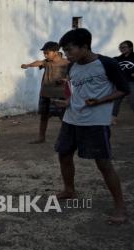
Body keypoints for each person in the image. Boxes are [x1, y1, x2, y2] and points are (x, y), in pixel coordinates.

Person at [55, 28, 130, 224]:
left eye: (70, 50)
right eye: (66, 51)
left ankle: (120, 206)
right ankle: (69, 190)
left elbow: (123, 90)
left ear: (85, 46)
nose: (68, 55)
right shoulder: (73, 67)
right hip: (71, 119)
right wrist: (67, 102)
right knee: (63, 154)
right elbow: (73, 90)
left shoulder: (107, 63)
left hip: (95, 122)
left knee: (103, 163)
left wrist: (100, 100)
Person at [21, 41, 70, 144]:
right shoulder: (46, 62)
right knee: (44, 116)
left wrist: (65, 80)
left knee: (63, 117)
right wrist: (28, 65)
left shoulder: (66, 62)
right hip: (45, 94)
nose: (45, 55)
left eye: (47, 53)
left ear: (56, 52)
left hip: (59, 95)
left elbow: (72, 76)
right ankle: (41, 137)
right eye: (44, 53)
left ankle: (67, 139)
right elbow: (39, 62)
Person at [112, 40, 134, 125]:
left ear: (131, 47)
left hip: (132, 82)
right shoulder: (117, 59)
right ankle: (113, 118)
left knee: (133, 100)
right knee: (115, 101)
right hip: (120, 83)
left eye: (124, 47)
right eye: (120, 47)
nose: (121, 49)